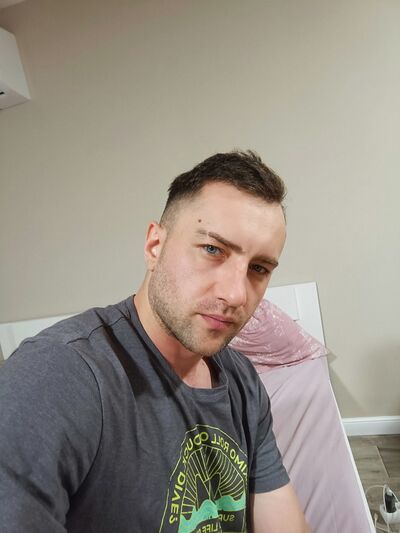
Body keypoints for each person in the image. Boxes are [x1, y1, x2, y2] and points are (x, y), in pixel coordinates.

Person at [0, 150, 309, 532]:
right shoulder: (58, 376)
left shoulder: (242, 381)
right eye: (213, 250)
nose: (235, 294)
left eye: (258, 268)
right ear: (154, 246)